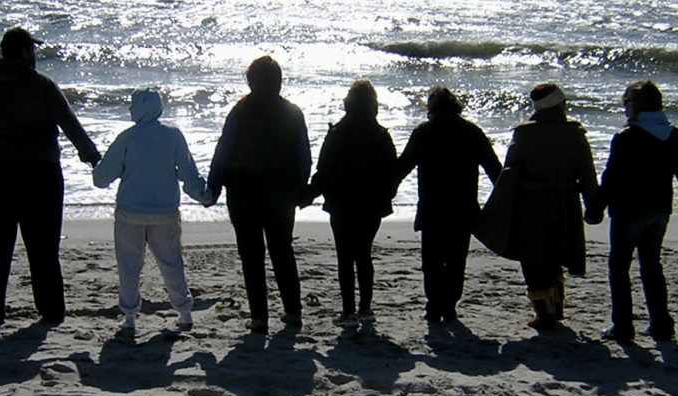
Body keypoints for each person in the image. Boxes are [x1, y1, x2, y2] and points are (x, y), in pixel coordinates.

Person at [0, 27, 101, 327]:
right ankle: (51, 313)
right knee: (43, 249)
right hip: (39, 174)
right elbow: (70, 124)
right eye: (32, 49)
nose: (34, 55)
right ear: (24, 52)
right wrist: (93, 158)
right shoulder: (42, 85)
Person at [585, 81, 678, 342]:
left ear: (638, 106)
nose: (624, 105)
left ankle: (622, 326)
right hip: (660, 210)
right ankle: (661, 324)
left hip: (629, 210)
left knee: (619, 267)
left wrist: (595, 210)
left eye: (627, 101)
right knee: (651, 266)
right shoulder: (671, 134)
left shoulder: (627, 137)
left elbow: (612, 178)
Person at [93, 88, 212, 331]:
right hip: (165, 212)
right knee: (171, 263)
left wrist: (95, 165)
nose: (129, 109)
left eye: (132, 105)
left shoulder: (127, 137)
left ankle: (129, 315)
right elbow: (189, 174)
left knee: (129, 266)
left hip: (129, 212)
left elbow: (102, 179)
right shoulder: (173, 135)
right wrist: (204, 195)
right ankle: (184, 312)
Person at [208, 56, 311, 334]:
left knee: (251, 255)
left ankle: (259, 318)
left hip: (243, 193)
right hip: (281, 194)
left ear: (251, 81)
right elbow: (304, 155)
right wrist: (301, 189)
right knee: (282, 251)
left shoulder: (240, 111)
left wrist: (213, 186)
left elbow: (224, 151)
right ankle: (293, 312)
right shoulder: (292, 112)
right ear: (278, 81)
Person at [395, 86, 502, 324]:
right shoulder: (472, 132)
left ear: (431, 109)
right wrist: (505, 200)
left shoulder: (424, 132)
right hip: (463, 208)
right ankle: (450, 306)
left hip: (432, 207)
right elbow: (494, 170)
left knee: (431, 261)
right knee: (456, 260)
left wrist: (383, 190)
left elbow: (402, 168)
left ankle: (434, 306)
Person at [496, 83, 597, 332]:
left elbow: (510, 173)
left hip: (531, 203)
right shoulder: (575, 133)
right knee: (556, 253)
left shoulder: (524, 133)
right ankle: (557, 308)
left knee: (532, 258)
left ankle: (544, 314)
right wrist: (593, 207)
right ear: (559, 104)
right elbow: (587, 175)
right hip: (565, 203)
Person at [302, 80, 398, 327]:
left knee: (345, 256)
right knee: (364, 254)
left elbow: (323, 170)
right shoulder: (381, 135)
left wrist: (306, 195)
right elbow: (392, 172)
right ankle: (366, 308)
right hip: (371, 204)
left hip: (341, 202)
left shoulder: (337, 133)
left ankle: (348, 312)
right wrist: (387, 196)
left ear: (349, 104)